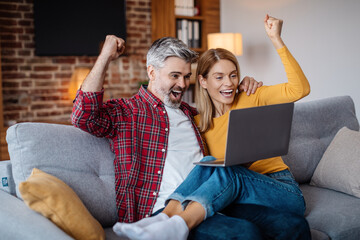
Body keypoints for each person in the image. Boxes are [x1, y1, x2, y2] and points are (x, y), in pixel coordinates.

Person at [112, 15, 311, 240]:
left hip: (280, 188)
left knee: (230, 173)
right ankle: (165, 219)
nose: (229, 83)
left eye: (233, 75)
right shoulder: (197, 124)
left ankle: (173, 224)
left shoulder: (252, 96)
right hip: (239, 197)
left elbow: (300, 89)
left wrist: (276, 39)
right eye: (219, 77)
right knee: (209, 163)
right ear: (203, 81)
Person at [71, 29, 264, 237]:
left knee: (291, 223)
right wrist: (105, 56)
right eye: (175, 76)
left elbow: (225, 115)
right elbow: (84, 116)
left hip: (211, 202)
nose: (182, 84)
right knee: (246, 233)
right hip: (159, 213)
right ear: (152, 72)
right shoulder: (126, 112)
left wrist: (241, 89)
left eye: (186, 76)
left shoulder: (193, 114)